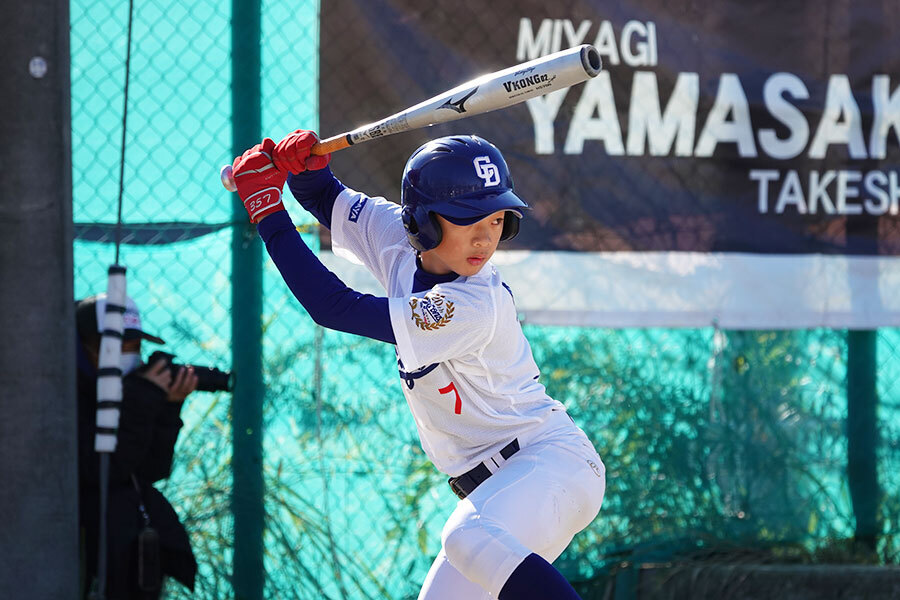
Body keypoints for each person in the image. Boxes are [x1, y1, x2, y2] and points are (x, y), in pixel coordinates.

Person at [231, 131, 606, 599]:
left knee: (464, 538)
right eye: (468, 218)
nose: (485, 236)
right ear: (423, 224)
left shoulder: (474, 303)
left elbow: (332, 306)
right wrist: (308, 169)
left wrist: (268, 209)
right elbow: (327, 199)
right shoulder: (397, 238)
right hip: (501, 486)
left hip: (549, 463)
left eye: (497, 219)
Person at [76, 293, 198, 599]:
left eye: (137, 347)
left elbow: (150, 469)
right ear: (88, 346)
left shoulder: (128, 394)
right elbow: (103, 469)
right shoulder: (66, 394)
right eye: (121, 346)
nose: (133, 356)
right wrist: (141, 402)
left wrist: (168, 410)